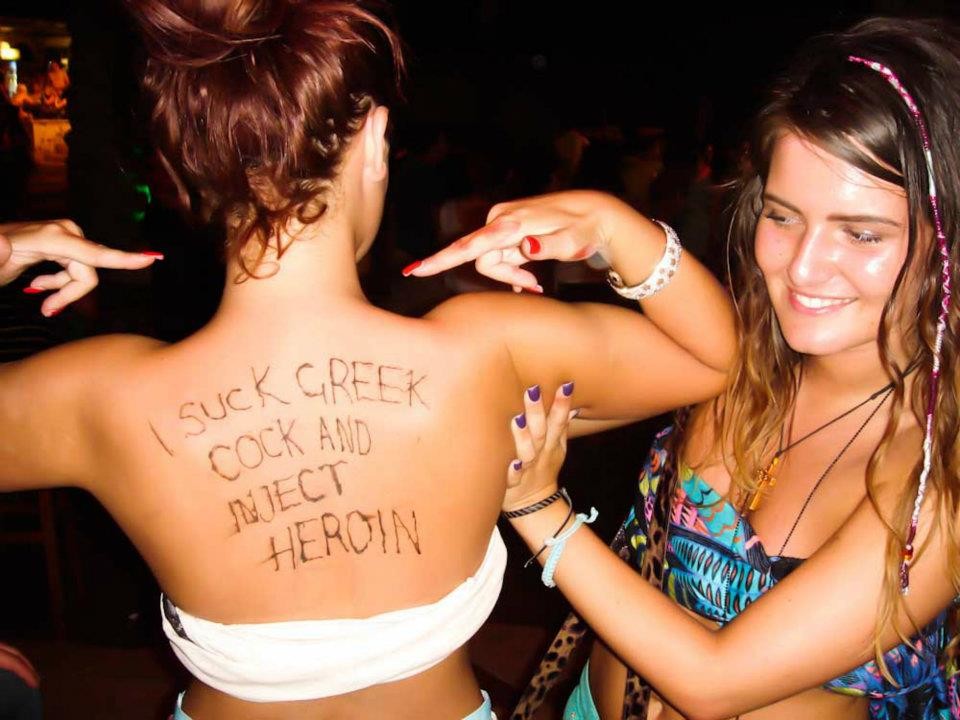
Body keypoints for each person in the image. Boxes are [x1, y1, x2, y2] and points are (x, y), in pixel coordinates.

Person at [0, 1, 736, 718]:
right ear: (378, 140)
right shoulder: (492, 354)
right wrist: (611, 223)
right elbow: (712, 359)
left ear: (184, 172)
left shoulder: (99, 399)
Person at [412, 16, 960, 720]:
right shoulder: (750, 360)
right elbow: (694, 324)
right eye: (783, 216)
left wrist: (540, 511)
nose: (803, 267)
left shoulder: (938, 469)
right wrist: (605, 224)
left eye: (861, 233)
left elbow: (713, 681)